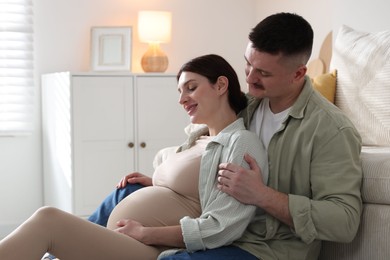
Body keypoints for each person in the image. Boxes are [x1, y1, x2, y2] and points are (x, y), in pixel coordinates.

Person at [84, 12, 364, 260]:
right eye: (248, 64)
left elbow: (345, 221)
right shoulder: (246, 105)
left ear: (298, 74)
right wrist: (161, 180)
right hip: (210, 218)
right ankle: (64, 250)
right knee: (125, 193)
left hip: (263, 247)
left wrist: (262, 195)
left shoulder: (331, 130)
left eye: (263, 72)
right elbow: (203, 152)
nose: (250, 78)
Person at [0, 54, 269, 260]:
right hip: (127, 236)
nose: (182, 99)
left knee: (49, 221)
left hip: (149, 246)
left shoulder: (240, 141)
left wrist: (145, 232)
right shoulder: (197, 137)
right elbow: (196, 189)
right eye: (180, 92)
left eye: (191, 87)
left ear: (221, 85)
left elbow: (224, 226)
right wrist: (155, 183)